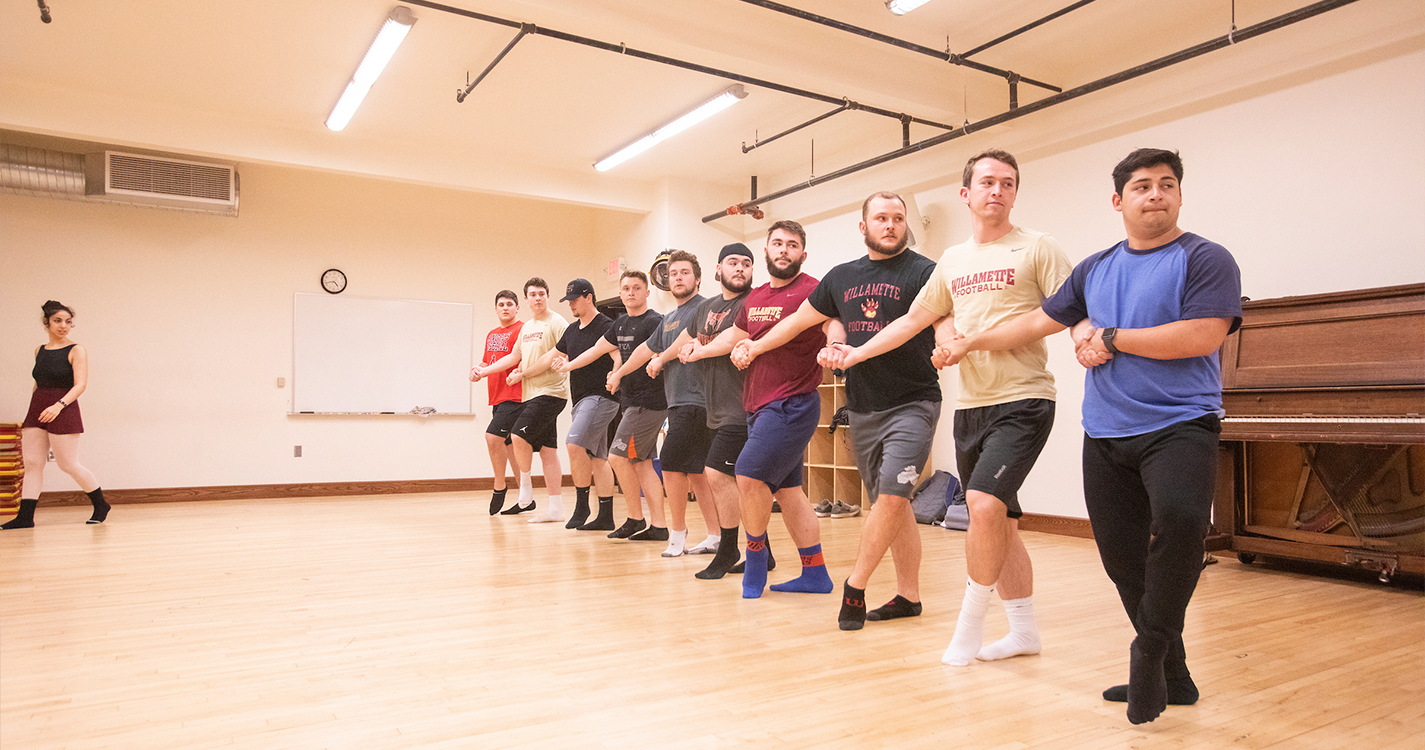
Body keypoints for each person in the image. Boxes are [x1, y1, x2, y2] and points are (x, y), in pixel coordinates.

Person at [942, 149, 1241, 724]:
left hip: (1180, 423)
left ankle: (1149, 649)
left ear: (1179, 195)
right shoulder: (1096, 267)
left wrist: (1114, 336)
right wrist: (968, 342)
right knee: (1121, 556)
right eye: (1142, 186)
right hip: (1106, 431)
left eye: (1166, 185)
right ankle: (1174, 677)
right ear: (1118, 201)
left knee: (1181, 524)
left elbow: (1203, 335)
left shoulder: (1205, 257)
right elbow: (1036, 322)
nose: (1155, 194)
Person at [830, 152, 1072, 651]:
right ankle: (1024, 631)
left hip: (1025, 398)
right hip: (972, 405)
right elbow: (913, 322)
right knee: (1000, 519)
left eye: (1008, 183)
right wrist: (856, 353)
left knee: (981, 505)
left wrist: (970, 343)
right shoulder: (953, 262)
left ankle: (969, 627)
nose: (997, 191)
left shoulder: (1038, 248)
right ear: (966, 194)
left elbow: (1062, 311)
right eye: (986, 182)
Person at [750, 192, 950, 631]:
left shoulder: (925, 271)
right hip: (863, 407)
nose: (891, 224)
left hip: (914, 401)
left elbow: (940, 322)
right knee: (888, 503)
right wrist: (757, 344)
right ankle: (908, 597)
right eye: (881, 218)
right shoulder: (842, 277)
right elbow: (800, 321)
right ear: (864, 227)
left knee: (894, 496)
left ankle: (855, 587)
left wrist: (950, 344)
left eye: (898, 218)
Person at [724, 220, 837, 599]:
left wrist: (836, 345)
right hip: (758, 404)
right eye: (777, 243)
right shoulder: (754, 297)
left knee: (748, 475)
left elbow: (834, 323)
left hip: (792, 402)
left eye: (792, 245)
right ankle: (815, 573)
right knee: (789, 492)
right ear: (766, 251)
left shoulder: (813, 291)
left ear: (802, 255)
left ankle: (755, 559)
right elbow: (738, 337)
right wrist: (702, 349)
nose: (784, 249)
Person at [620, 251, 720, 557]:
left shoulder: (704, 307)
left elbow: (681, 344)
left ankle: (677, 532)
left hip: (699, 400)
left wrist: (662, 358)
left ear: (697, 278)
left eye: (684, 272)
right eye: (673, 273)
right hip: (677, 402)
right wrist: (618, 373)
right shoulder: (668, 319)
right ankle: (715, 536)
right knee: (696, 472)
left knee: (673, 464)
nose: (677, 277)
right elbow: (644, 350)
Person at [560, 271, 670, 542]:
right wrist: (568, 365)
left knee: (616, 457)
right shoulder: (620, 323)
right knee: (642, 463)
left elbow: (646, 354)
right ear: (620, 294)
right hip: (631, 401)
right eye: (626, 289)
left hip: (648, 402)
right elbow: (597, 349)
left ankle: (636, 519)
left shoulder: (654, 321)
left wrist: (618, 374)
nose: (630, 292)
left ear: (647, 293)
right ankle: (657, 525)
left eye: (636, 288)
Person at [675, 243, 757, 578]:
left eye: (747, 264)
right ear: (718, 269)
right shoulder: (706, 307)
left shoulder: (753, 303)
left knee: (717, 474)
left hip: (742, 404)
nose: (740, 269)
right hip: (714, 405)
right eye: (733, 262)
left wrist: (697, 351)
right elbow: (691, 338)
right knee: (746, 482)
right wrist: (685, 348)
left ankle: (728, 550)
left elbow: (727, 342)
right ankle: (759, 553)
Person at [471, 278, 569, 521]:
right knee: (548, 450)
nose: (537, 298)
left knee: (515, 437)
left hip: (548, 393)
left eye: (541, 294)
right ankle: (554, 508)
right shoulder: (527, 329)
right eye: (532, 294)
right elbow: (514, 356)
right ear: (527, 299)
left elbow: (559, 353)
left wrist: (524, 373)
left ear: (547, 296)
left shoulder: (556, 322)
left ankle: (522, 492)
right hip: (530, 393)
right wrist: (483, 371)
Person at [5, 300, 108, 529]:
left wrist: (58, 406)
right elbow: (38, 383)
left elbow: (80, 385)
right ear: (46, 323)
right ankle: (25, 517)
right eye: (58, 321)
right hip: (38, 409)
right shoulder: (39, 350)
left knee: (68, 464)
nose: (64, 325)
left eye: (68, 321)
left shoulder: (76, 350)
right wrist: (35, 409)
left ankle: (101, 504)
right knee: (32, 463)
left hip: (63, 407)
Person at [549, 278, 619, 530]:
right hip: (580, 400)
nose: (570, 304)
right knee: (597, 458)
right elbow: (555, 356)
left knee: (574, 444)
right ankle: (606, 516)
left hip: (601, 397)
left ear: (589, 297)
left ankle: (581, 507)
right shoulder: (571, 330)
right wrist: (523, 371)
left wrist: (616, 375)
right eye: (568, 301)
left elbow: (617, 355)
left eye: (574, 300)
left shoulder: (606, 325)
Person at [471, 290, 524, 515]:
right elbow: (488, 360)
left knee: (493, 438)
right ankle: (525, 495)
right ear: (495, 308)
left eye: (509, 304)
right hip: (497, 396)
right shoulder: (492, 334)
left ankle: (499, 486)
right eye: (501, 304)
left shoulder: (522, 329)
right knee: (510, 446)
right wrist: (478, 369)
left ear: (517, 308)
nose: (505, 308)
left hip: (515, 395)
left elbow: (518, 359)